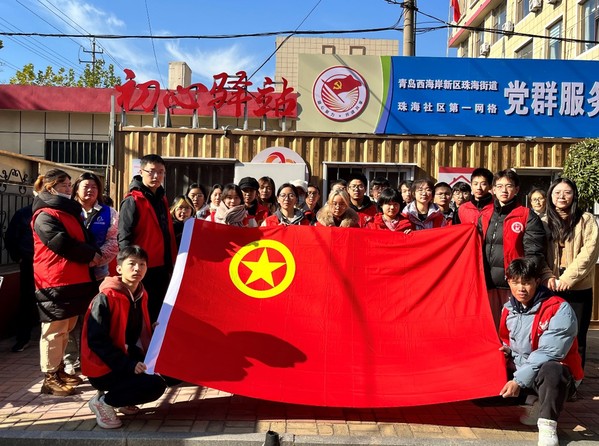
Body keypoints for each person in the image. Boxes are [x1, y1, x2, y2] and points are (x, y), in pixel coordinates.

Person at [499, 258, 583, 446]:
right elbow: (506, 339)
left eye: (526, 282)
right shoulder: (508, 309)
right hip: (524, 372)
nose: (521, 288)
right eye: (515, 282)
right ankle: (536, 402)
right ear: (508, 282)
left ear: (537, 282)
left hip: (558, 375)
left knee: (552, 369)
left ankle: (547, 425)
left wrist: (518, 380)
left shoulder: (559, 308)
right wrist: (506, 350)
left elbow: (550, 352)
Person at [31, 169, 100, 396]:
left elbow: (83, 238)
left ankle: (59, 370)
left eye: (70, 185)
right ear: (50, 188)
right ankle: (50, 376)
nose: (69, 189)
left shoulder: (69, 212)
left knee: (67, 328)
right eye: (64, 185)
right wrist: (90, 254)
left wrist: (93, 252)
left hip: (74, 277)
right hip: (54, 279)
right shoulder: (45, 214)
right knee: (54, 329)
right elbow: (60, 242)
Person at [82, 246, 167, 429]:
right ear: (119, 268)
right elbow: (97, 340)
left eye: (142, 264)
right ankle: (104, 402)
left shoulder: (141, 294)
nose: (137, 269)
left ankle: (122, 399)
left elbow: (134, 332)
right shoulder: (106, 297)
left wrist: (152, 330)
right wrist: (128, 364)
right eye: (132, 264)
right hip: (103, 366)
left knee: (167, 371)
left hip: (125, 356)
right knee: (154, 385)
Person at [65, 172, 119, 375]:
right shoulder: (67, 211)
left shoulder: (109, 213)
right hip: (72, 274)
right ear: (76, 188)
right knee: (71, 319)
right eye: (86, 186)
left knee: (94, 317)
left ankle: (91, 357)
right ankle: (70, 360)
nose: (90, 190)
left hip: (98, 274)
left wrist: (94, 259)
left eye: (94, 187)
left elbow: (113, 241)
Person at [482, 169, 549, 330]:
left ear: (517, 189)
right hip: (487, 284)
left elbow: (535, 253)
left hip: (513, 285)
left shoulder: (527, 216)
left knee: (513, 330)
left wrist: (522, 281)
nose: (504, 190)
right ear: (493, 190)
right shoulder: (484, 216)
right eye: (499, 186)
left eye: (509, 186)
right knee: (491, 330)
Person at [544, 178, 599, 367]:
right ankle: (553, 377)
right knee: (550, 334)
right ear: (550, 195)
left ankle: (576, 378)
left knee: (577, 336)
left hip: (579, 286)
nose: (562, 196)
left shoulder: (586, 220)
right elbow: (537, 253)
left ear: (574, 195)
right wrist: (547, 276)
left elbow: (590, 252)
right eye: (557, 192)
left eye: (567, 192)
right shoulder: (543, 222)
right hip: (550, 286)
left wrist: (568, 278)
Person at [118, 154, 177, 323]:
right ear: (141, 172)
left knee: (158, 311)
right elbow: (124, 237)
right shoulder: (132, 200)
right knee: (142, 312)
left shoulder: (162, 198)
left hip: (163, 265)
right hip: (142, 266)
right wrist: (128, 266)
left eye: (161, 172)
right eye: (151, 171)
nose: (156, 176)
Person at [5, 200, 37, 353]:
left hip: (52, 265)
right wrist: (18, 257)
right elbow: (11, 237)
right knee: (27, 300)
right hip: (30, 263)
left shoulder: (61, 211)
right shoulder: (24, 214)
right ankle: (23, 338)